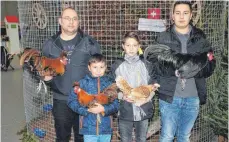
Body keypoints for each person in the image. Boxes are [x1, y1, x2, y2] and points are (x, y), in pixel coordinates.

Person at [155, 1, 216, 142]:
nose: (181, 16)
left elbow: (211, 63)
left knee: (184, 136)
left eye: (185, 13)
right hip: (170, 97)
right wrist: (175, 69)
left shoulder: (200, 38)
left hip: (193, 97)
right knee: (167, 136)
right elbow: (155, 64)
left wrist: (193, 70)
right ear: (172, 16)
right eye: (178, 13)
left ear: (191, 15)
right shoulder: (163, 38)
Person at [42, 7, 100, 142]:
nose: (71, 22)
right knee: (62, 137)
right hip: (61, 99)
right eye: (67, 18)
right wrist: (46, 79)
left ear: (78, 22)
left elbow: (99, 70)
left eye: (75, 19)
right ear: (60, 21)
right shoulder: (50, 45)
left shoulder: (89, 43)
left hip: (83, 99)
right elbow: (44, 70)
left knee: (83, 137)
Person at [110, 31, 157, 142]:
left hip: (143, 108)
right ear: (123, 46)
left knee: (141, 138)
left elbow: (154, 85)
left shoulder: (146, 64)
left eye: (134, 45)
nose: (131, 48)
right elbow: (111, 88)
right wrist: (121, 96)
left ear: (139, 46)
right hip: (125, 109)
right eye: (128, 45)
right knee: (125, 139)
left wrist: (147, 98)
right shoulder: (117, 65)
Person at [67, 53, 119, 142]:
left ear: (106, 67)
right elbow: (71, 101)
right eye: (95, 67)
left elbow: (117, 104)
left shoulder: (109, 83)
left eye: (101, 67)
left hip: (105, 128)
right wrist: (86, 110)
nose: (98, 70)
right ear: (89, 67)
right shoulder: (82, 83)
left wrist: (104, 109)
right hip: (88, 128)